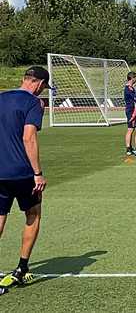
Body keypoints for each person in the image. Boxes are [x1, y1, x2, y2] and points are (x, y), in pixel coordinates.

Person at [0, 67, 48, 291]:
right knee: (33, 213)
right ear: (39, 84)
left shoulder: (1, 98)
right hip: (22, 171)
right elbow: (29, 138)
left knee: (0, 216)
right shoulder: (33, 103)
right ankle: (21, 268)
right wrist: (38, 173)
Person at [124, 71, 136, 156]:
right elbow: (134, 100)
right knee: (130, 129)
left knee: (132, 129)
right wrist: (134, 113)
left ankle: (130, 147)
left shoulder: (131, 88)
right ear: (132, 78)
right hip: (131, 110)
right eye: (135, 77)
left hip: (131, 109)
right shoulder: (129, 88)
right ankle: (128, 148)